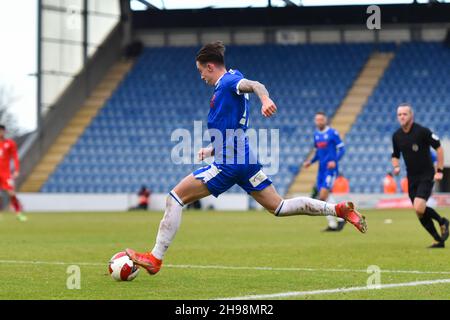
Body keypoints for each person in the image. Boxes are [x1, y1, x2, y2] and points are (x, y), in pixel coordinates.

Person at [125, 41, 367, 275]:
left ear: (210, 66)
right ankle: (337, 210)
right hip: (243, 157)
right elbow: (231, 126)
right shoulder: (230, 79)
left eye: (201, 71)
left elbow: (256, 84)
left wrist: (266, 99)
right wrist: (212, 149)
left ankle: (155, 258)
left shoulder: (229, 81)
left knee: (175, 198)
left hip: (230, 162)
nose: (201, 77)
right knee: (279, 206)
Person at [392, 103, 449, 248]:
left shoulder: (422, 131)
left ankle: (442, 221)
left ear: (411, 115)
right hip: (411, 177)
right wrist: (396, 166)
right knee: (420, 212)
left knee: (418, 207)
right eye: (399, 114)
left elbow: (439, 148)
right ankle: (438, 239)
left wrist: (440, 171)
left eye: (405, 114)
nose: (402, 117)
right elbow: (395, 154)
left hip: (426, 174)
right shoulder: (397, 136)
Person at [303, 112, 346, 232]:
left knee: (323, 196)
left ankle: (341, 218)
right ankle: (334, 224)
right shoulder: (316, 135)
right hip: (321, 170)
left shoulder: (332, 133)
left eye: (321, 119)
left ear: (325, 120)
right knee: (326, 197)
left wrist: (335, 160)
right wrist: (310, 162)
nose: (319, 122)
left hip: (330, 169)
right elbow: (317, 153)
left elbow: (342, 149)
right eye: (317, 120)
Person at [0, 125, 26, 221]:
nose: (0, 133)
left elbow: (15, 157)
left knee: (11, 193)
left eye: (2, 131)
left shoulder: (10, 143)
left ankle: (18, 213)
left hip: (5, 174)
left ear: (4, 132)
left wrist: (16, 170)